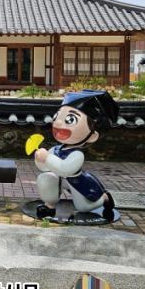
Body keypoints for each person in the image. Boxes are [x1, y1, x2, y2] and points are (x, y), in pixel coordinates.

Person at [34, 90, 119, 221]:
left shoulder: (77, 154)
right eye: (57, 116)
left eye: (70, 119)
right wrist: (40, 159)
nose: (58, 123)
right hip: (59, 179)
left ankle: (105, 198)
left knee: (83, 207)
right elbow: (45, 167)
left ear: (92, 136)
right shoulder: (56, 149)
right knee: (45, 177)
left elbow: (65, 169)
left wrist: (47, 158)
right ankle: (49, 206)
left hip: (78, 182)